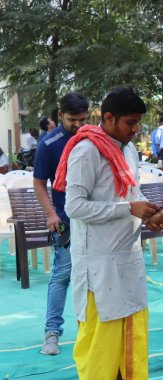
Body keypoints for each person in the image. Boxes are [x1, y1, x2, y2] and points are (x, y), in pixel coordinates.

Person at [59, 87, 163, 380]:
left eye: (138, 124)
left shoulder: (129, 149)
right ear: (108, 119)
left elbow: (131, 194)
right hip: (98, 258)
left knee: (134, 328)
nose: (136, 130)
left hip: (128, 254)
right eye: (130, 123)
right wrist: (127, 209)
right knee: (101, 334)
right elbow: (73, 206)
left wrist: (148, 214)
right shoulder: (86, 151)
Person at [33, 92, 90, 356]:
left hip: (93, 220)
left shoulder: (93, 137)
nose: (78, 125)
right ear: (60, 116)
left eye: (82, 119)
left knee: (94, 276)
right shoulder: (49, 143)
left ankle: (90, 332)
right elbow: (38, 182)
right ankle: (52, 333)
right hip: (66, 222)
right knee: (63, 274)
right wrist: (50, 215)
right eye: (72, 120)